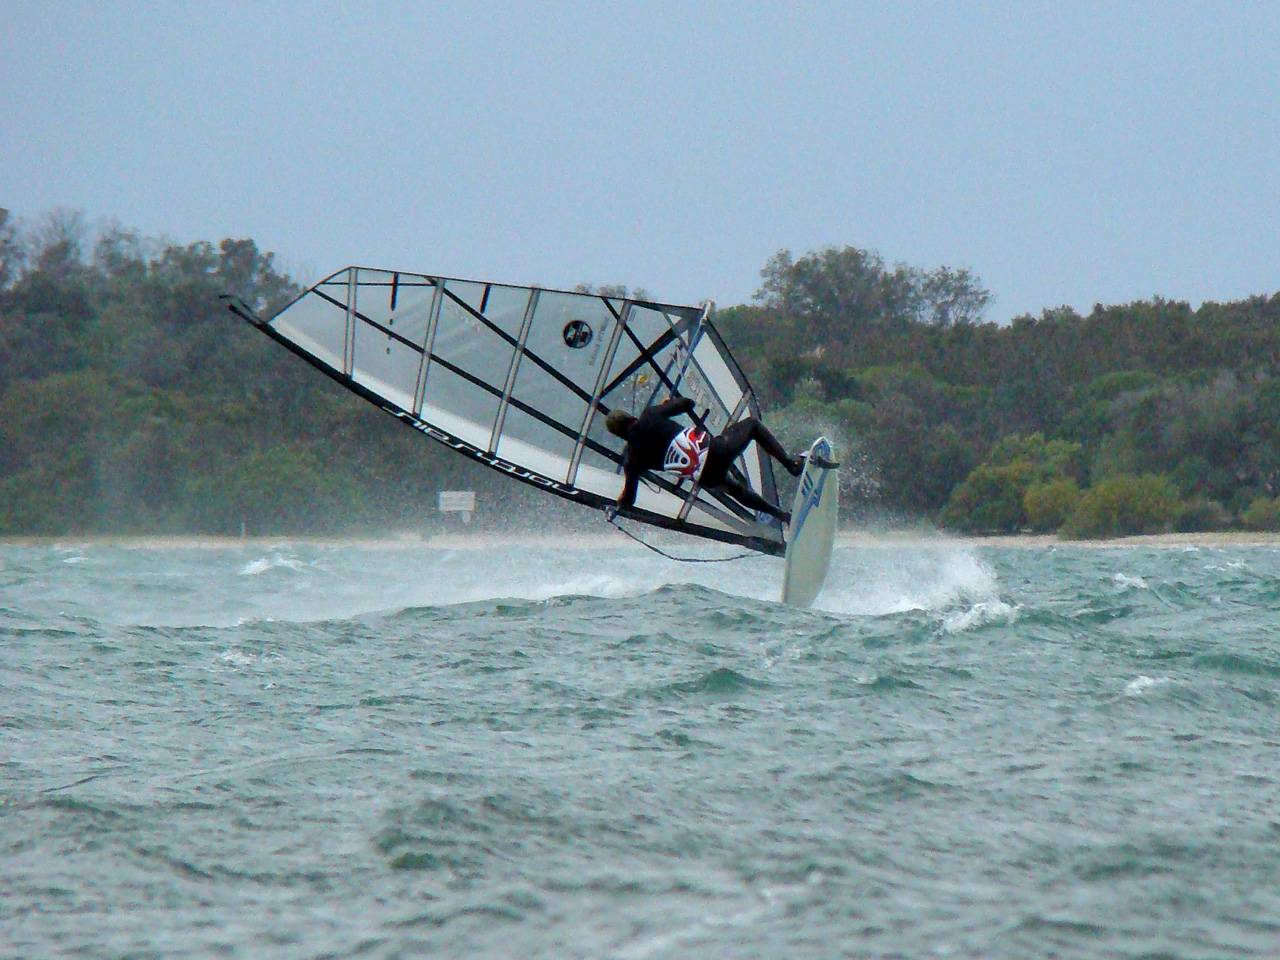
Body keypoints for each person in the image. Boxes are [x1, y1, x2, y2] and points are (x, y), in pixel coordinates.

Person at [603, 396, 833, 525]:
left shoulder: (632, 459)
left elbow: (629, 499)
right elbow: (688, 403)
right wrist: (667, 403)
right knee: (752, 425)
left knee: (735, 490)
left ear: (618, 435)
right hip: (715, 452)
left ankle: (782, 516)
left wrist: (618, 504)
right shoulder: (650, 415)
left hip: (705, 476)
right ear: (630, 417)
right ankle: (792, 465)